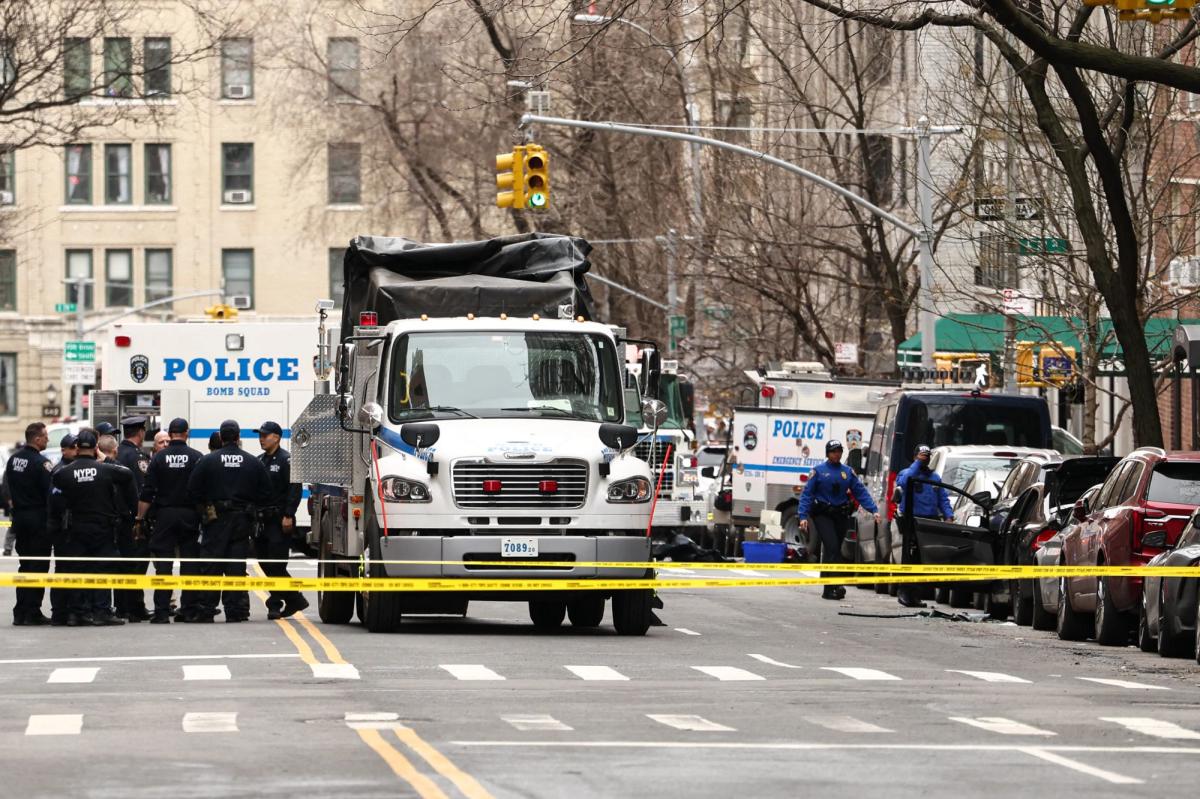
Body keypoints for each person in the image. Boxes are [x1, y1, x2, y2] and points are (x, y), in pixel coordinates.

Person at [49, 429, 137, 626]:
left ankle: (76, 613)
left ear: (77, 447)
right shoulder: (106, 470)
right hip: (102, 528)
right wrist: (106, 459)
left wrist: (56, 526)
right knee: (103, 568)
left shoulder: (63, 473)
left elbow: (55, 501)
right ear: (96, 448)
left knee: (77, 569)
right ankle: (101, 611)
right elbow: (128, 474)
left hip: (76, 529)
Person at [188, 420, 271, 623]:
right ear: (238, 436)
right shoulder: (253, 462)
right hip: (242, 520)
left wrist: (205, 507)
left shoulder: (208, 461)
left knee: (211, 564)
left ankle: (207, 609)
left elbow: (192, 489)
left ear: (221, 436)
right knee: (236, 565)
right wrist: (250, 505)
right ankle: (235, 610)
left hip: (215, 519)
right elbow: (266, 492)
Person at [137, 417, 204, 623]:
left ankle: (162, 612)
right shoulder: (196, 457)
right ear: (186, 433)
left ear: (171, 433)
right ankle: (189, 610)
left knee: (164, 564)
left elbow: (148, 492)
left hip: (164, 515)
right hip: (189, 515)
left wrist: (139, 518)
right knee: (190, 563)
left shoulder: (159, 458)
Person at [797, 440, 880, 601]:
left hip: (840, 515)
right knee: (832, 546)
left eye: (839, 451)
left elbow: (860, 492)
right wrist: (803, 516)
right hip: (822, 515)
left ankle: (828, 589)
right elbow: (807, 494)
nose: (837, 454)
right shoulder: (818, 471)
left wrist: (874, 510)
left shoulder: (847, 472)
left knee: (833, 550)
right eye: (833, 451)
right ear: (828, 453)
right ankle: (836, 585)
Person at [256, 421, 309, 619]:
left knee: (276, 564)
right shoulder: (260, 460)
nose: (261, 439)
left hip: (279, 520)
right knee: (264, 561)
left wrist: (288, 514)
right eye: (260, 435)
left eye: (265, 435)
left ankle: (276, 603)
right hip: (262, 521)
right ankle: (295, 599)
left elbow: (295, 489)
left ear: (276, 437)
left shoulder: (287, 460)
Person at [892, 445, 954, 609]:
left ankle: (915, 595)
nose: (924, 459)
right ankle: (905, 592)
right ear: (915, 457)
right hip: (911, 521)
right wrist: (917, 464)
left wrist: (949, 516)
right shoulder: (907, 473)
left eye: (927, 456)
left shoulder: (934, 477)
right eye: (921, 455)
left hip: (929, 523)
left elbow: (943, 498)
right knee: (909, 558)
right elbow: (904, 483)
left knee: (922, 559)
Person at [4, 423, 54, 625]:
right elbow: (50, 494)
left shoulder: (14, 460)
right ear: (37, 439)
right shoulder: (41, 463)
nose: (48, 439)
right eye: (45, 436)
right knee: (38, 566)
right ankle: (32, 612)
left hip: (20, 519)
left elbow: (8, 488)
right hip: (37, 520)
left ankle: (20, 611)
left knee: (25, 565)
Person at [113, 416, 152, 622]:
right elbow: (142, 489)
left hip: (116, 516)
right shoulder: (138, 457)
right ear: (141, 432)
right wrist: (140, 518)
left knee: (122, 564)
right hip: (132, 518)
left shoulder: (117, 453)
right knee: (136, 563)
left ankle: (121, 606)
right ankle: (134, 607)